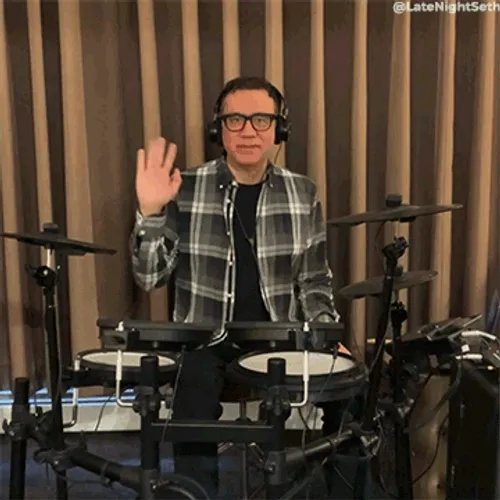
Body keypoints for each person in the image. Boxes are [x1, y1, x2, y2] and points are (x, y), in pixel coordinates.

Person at [130, 76, 367, 498]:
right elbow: (150, 278)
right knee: (192, 392)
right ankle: (196, 494)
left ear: (279, 129)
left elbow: (314, 280)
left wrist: (327, 336)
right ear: (218, 129)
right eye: (235, 120)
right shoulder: (185, 187)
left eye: (261, 120)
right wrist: (150, 212)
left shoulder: (302, 192)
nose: (248, 131)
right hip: (205, 338)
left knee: (351, 388)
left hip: (279, 336)